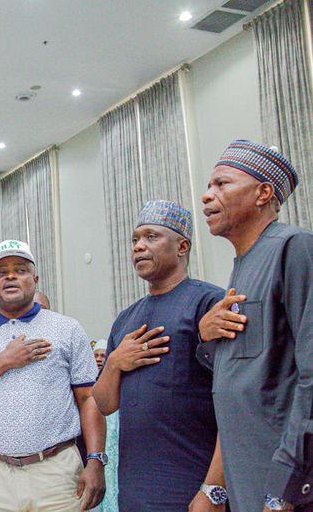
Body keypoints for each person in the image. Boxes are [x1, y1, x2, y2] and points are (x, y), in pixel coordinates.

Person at [0, 240, 106, 512]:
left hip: (57, 471)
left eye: (20, 270)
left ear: (35, 279)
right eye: (0, 273)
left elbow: (89, 398)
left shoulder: (67, 328)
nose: (10, 276)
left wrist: (96, 459)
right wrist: (4, 361)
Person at [199, 140, 313, 512]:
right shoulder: (243, 265)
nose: (206, 195)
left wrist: (286, 487)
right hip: (249, 481)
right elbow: (245, 379)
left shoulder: (294, 247)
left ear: (263, 193)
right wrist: (206, 337)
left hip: (286, 487)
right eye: (208, 186)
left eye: (221, 184)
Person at [92, 200, 225, 512]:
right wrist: (115, 363)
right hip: (135, 489)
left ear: (182, 246)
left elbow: (235, 404)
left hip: (193, 484)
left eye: (151, 237)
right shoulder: (126, 319)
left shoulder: (208, 303)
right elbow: (105, 403)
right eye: (135, 240)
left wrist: (213, 489)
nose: (138, 247)